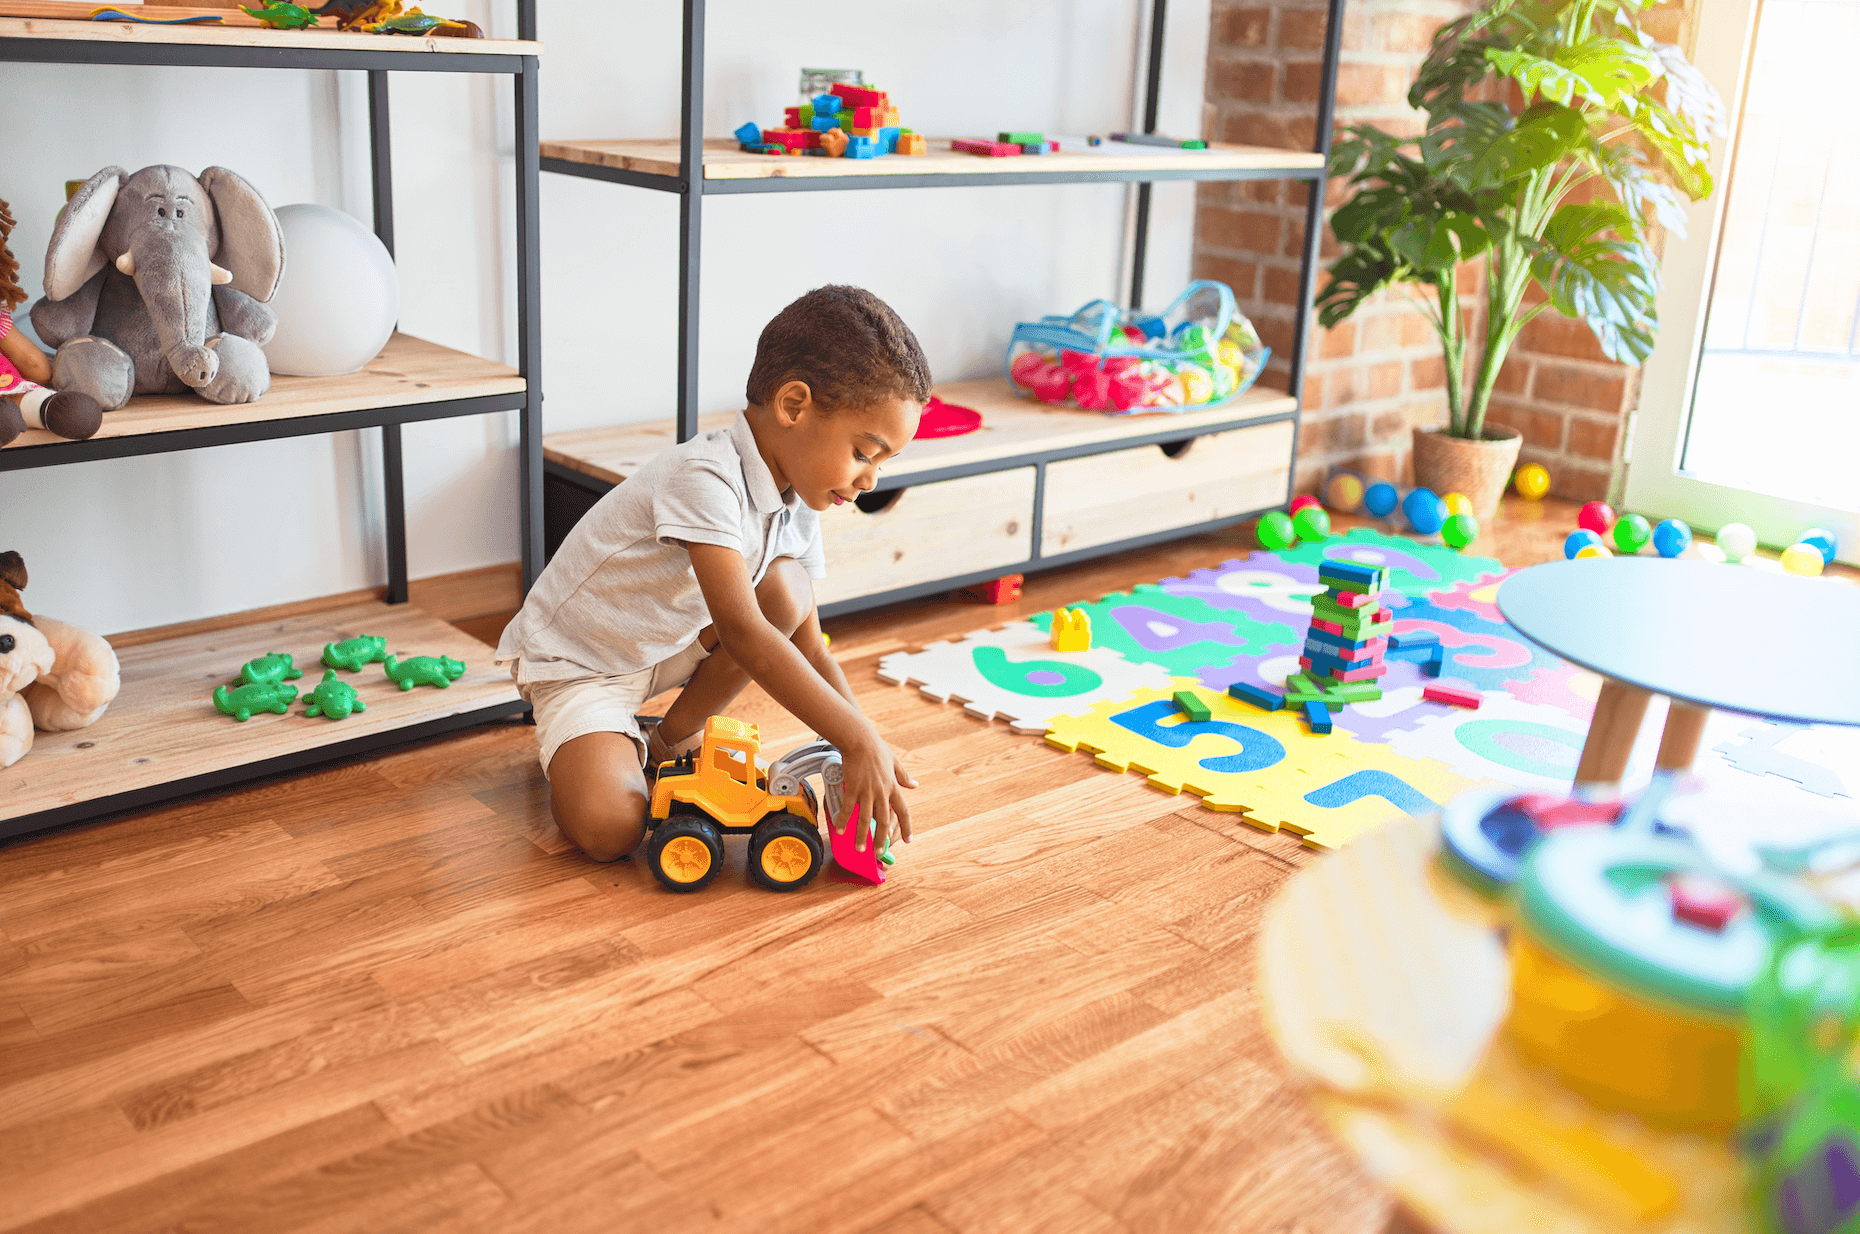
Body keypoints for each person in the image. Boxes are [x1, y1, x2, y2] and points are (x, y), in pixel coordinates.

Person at [497, 285, 929, 864]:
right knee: (611, 828)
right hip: (585, 664)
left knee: (787, 585)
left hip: (667, 645)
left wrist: (860, 737)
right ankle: (590, 742)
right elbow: (745, 634)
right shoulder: (704, 476)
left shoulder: (799, 497)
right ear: (793, 405)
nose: (872, 478)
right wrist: (855, 741)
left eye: (883, 462)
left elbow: (810, 648)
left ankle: (663, 739)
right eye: (864, 452)